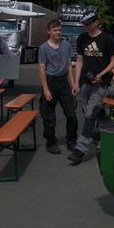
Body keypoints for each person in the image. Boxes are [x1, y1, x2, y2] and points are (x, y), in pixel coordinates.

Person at [67, 10, 114, 165]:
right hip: (85, 84)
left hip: (101, 85)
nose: (86, 27)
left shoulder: (107, 39)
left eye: (89, 23)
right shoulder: (82, 38)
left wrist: (102, 74)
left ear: (97, 22)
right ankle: (108, 135)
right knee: (96, 114)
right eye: (84, 24)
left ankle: (79, 151)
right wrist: (76, 82)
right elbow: (80, 60)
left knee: (90, 114)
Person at [38, 19, 78, 154]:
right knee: (49, 116)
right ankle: (51, 141)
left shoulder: (66, 45)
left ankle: (71, 140)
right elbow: (42, 69)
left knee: (71, 114)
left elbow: (68, 66)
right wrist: (46, 89)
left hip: (63, 82)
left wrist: (73, 85)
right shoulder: (44, 48)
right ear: (49, 31)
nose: (58, 32)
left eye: (59, 30)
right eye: (55, 30)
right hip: (50, 82)